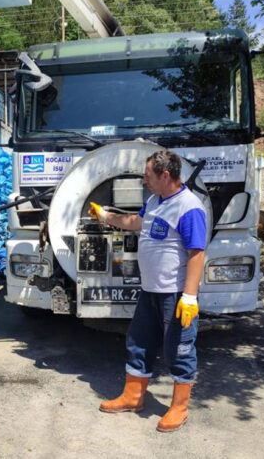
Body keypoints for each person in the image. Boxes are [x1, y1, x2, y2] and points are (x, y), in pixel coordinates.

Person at [90, 150, 206, 432]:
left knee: (178, 348)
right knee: (139, 341)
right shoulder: (155, 201)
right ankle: (133, 396)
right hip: (150, 290)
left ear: (165, 175)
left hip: (175, 294)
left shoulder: (189, 207)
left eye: (148, 175)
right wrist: (106, 215)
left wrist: (189, 297)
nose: (144, 180)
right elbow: (135, 223)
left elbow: (196, 253)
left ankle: (179, 407)